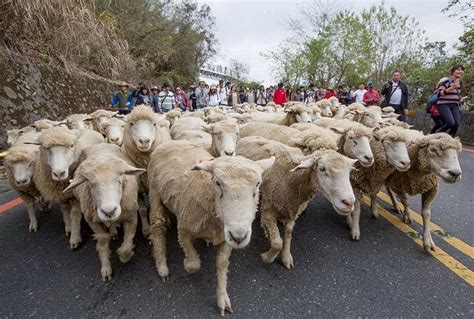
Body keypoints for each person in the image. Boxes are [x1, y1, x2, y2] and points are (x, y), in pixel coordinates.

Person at [435, 65, 464, 137]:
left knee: (456, 124)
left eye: (462, 70)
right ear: (453, 72)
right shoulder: (446, 81)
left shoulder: (461, 83)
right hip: (444, 105)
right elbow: (439, 93)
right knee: (450, 123)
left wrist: (460, 99)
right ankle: (436, 135)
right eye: (458, 69)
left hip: (455, 105)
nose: (460, 71)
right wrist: (451, 88)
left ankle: (450, 139)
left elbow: (457, 94)